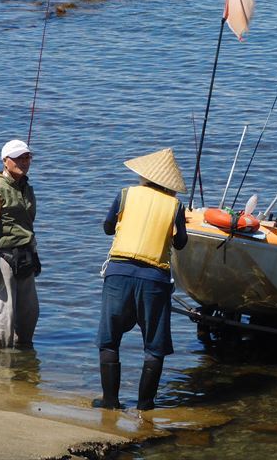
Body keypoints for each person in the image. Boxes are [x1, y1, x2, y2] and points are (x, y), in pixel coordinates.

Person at [94, 147, 188, 411]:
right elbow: (180, 243)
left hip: (119, 274)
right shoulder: (175, 205)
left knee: (109, 339)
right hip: (154, 279)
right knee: (154, 345)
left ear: (145, 176)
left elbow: (107, 228)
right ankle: (145, 406)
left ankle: (110, 401)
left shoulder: (126, 194)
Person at [0, 139, 41, 349]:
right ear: (6, 161)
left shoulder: (26, 188)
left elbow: (28, 225)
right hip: (3, 256)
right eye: (18, 159)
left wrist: (35, 254)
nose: (24, 162)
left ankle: (25, 361)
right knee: (4, 314)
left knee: (29, 313)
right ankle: (2, 365)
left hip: (25, 255)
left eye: (27, 157)